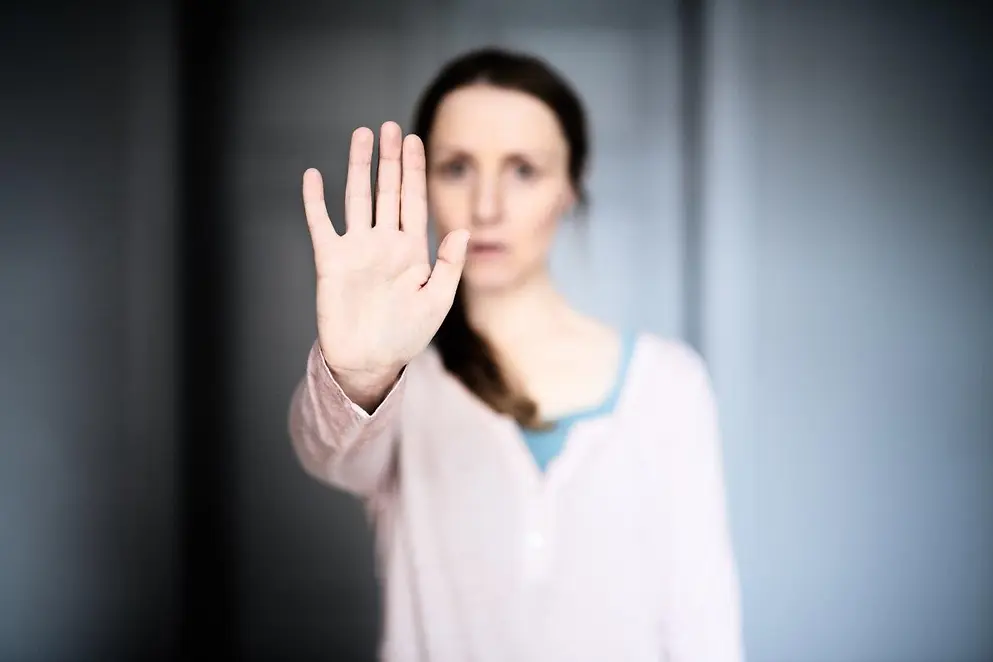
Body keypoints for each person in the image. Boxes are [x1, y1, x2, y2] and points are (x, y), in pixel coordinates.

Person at [288, 47, 744, 662]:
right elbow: (329, 455)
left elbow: (703, 622)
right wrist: (361, 373)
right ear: (422, 185)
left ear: (570, 188)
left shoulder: (670, 383)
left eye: (524, 169)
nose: (486, 208)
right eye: (456, 168)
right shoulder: (404, 386)